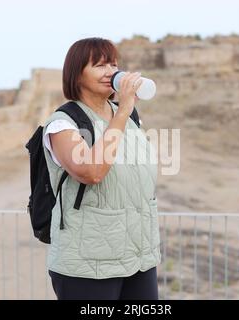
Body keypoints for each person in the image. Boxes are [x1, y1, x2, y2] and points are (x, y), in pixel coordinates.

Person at [42, 37, 161, 300]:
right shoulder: (63, 124)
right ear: (77, 75)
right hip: (87, 265)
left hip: (139, 259)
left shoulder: (129, 117)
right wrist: (123, 111)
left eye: (114, 64)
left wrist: (123, 112)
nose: (111, 72)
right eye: (100, 65)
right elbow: (92, 171)